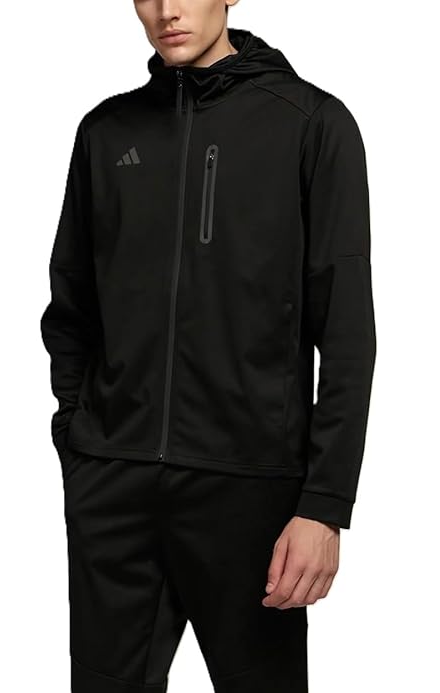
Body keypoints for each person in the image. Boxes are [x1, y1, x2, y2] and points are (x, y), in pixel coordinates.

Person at [40, 1, 376, 691]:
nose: (167, 11)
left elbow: (346, 332)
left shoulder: (311, 124)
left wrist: (324, 503)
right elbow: (71, 303)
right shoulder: (106, 131)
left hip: (251, 494)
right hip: (114, 486)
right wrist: (80, 440)